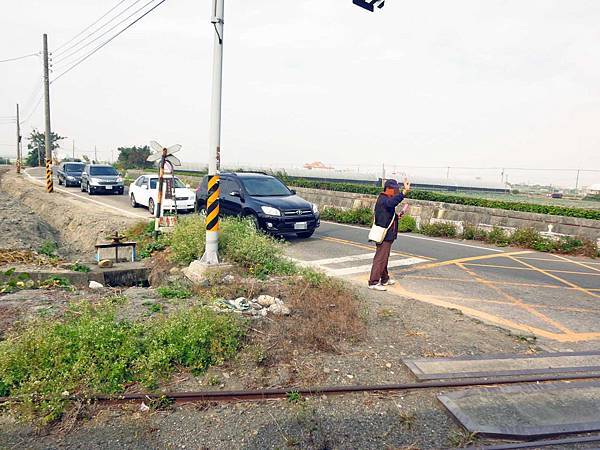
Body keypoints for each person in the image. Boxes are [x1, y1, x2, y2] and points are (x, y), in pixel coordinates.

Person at [368, 177, 411, 291]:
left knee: (384, 257)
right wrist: (404, 192)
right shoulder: (384, 199)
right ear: (388, 189)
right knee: (380, 258)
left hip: (388, 234)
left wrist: (397, 216)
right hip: (384, 234)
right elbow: (391, 203)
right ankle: (373, 282)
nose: (396, 192)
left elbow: (387, 214)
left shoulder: (385, 199)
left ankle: (384, 279)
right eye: (394, 190)